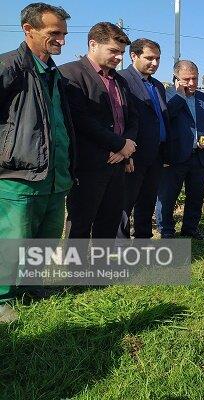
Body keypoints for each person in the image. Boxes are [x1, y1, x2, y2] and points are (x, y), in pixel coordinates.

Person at [0, 2, 74, 322]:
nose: (61, 40)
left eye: (64, 34)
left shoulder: (54, 73)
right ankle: (2, 297)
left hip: (54, 176)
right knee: (12, 241)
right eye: (54, 33)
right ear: (29, 31)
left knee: (45, 239)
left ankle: (30, 286)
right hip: (19, 176)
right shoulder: (10, 66)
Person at [60, 22, 137, 239]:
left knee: (110, 222)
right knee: (80, 226)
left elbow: (132, 118)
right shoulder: (70, 74)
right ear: (93, 44)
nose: (119, 57)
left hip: (118, 164)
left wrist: (126, 147)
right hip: (88, 166)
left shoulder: (119, 80)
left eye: (121, 52)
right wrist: (119, 144)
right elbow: (80, 120)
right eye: (113, 51)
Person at [156, 60, 204, 239]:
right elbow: (164, 118)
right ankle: (167, 231)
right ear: (176, 79)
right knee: (167, 197)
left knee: (196, 196)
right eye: (187, 79)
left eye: (195, 78)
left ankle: (190, 228)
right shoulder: (165, 96)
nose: (192, 83)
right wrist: (180, 95)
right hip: (173, 157)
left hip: (201, 158)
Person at [116, 38, 169, 239]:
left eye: (157, 59)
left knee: (147, 203)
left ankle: (143, 245)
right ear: (134, 56)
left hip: (155, 155)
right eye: (149, 58)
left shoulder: (157, 86)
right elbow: (121, 119)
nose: (154, 63)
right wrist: (126, 154)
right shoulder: (122, 80)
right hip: (132, 156)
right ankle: (119, 250)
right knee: (124, 206)